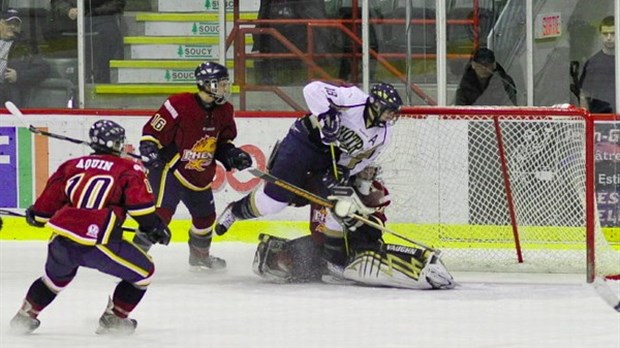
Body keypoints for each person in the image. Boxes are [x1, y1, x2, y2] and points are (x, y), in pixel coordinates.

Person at [214, 80, 403, 278]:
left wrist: (342, 170)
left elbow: (362, 158)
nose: (391, 116)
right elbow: (312, 89)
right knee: (272, 202)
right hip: (303, 142)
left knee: (340, 204)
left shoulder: (383, 135)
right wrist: (326, 114)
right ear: (376, 105)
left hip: (330, 158)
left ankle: (333, 261)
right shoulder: (353, 98)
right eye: (389, 111)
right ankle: (234, 211)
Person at [9, 120, 171, 335]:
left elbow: (43, 211)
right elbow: (140, 209)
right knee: (145, 272)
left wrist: (35, 216)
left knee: (52, 281)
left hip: (61, 239)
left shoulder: (71, 165)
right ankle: (114, 319)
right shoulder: (130, 168)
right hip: (97, 243)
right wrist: (156, 227)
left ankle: (24, 317)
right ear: (117, 144)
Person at [251, 165, 456, 289]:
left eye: (372, 170)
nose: (369, 174)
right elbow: (290, 197)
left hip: (357, 246)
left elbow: (375, 230)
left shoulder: (376, 191)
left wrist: (354, 220)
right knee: (274, 259)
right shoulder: (323, 184)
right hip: (320, 246)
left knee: (363, 255)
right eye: (364, 170)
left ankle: (341, 266)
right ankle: (331, 266)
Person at [133, 61, 252, 271]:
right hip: (170, 169)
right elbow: (152, 132)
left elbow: (222, 143)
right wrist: (149, 147)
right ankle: (132, 258)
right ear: (207, 84)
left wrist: (233, 154)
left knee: (205, 218)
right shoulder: (178, 104)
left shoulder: (225, 110)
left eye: (226, 83)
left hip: (199, 173)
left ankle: (199, 256)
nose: (225, 88)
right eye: (221, 83)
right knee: (160, 215)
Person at [50, 0, 126, 83]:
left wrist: (95, 13)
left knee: (109, 35)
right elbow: (57, 2)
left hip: (102, 19)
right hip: (72, 24)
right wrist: (68, 10)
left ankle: (102, 77)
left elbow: (117, 3)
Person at [0, 9, 51, 107]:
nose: (12, 27)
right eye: (8, 23)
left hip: (7, 96)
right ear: (0, 24)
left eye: (16, 24)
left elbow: (44, 69)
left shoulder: (26, 46)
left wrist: (19, 76)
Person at [579, 16, 615, 113]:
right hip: (599, 117)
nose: (609, 38)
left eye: (613, 33)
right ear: (600, 35)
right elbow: (584, 94)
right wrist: (586, 119)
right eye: (605, 34)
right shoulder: (593, 63)